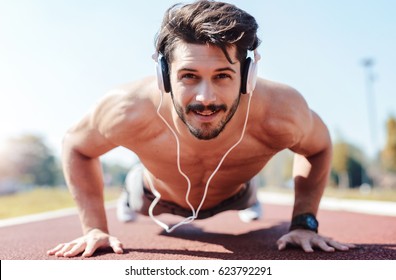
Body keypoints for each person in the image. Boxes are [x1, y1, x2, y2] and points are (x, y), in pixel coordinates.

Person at [47, 0, 355, 258]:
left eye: (222, 76)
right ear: (164, 76)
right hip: (152, 195)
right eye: (189, 76)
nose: (205, 98)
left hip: (236, 193)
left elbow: (319, 147)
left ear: (248, 75)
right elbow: (76, 145)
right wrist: (95, 228)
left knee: (248, 194)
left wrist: (304, 222)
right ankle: (131, 192)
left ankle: (253, 196)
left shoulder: (281, 111)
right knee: (135, 195)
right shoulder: (126, 109)